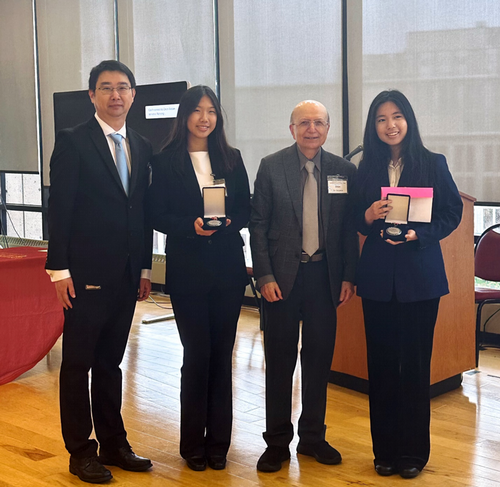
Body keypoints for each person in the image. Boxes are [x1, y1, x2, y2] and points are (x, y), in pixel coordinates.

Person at [46, 60, 153, 483]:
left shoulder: (140, 144)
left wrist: (145, 267)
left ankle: (113, 443)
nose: (115, 95)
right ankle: (80, 451)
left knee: (110, 363)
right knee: (78, 365)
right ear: (91, 95)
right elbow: (62, 208)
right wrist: (59, 270)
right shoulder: (74, 141)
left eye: (123, 87)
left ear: (133, 94)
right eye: (106, 88)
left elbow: (139, 211)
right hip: (85, 275)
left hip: (127, 274)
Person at [354, 90, 463, 479]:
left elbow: (453, 212)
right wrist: (367, 215)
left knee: (415, 367)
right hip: (379, 279)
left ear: (409, 120)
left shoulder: (433, 163)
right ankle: (384, 450)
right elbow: (353, 218)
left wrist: (422, 234)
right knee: (381, 367)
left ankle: (414, 453)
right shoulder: (365, 168)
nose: (390, 125)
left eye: (396, 116)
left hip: (420, 280)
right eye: (381, 119)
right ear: (374, 126)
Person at [250, 100, 358, 473]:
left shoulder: (344, 170)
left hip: (324, 277)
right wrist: (263, 276)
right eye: (304, 123)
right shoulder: (271, 166)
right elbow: (258, 226)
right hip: (280, 280)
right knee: (279, 363)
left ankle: (312, 437)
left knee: (318, 362)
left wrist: (349, 276)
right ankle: (276, 442)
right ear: (291, 128)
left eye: (319, 123)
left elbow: (346, 231)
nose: (312, 129)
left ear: (328, 128)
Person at [147, 85, 251, 472]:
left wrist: (225, 226)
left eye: (211, 111)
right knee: (197, 355)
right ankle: (192, 443)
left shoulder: (232, 158)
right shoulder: (165, 160)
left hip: (226, 269)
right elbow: (155, 214)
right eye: (197, 110)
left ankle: (219, 444)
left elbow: (245, 209)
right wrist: (190, 227)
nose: (205, 118)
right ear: (185, 116)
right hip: (188, 270)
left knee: (222, 356)